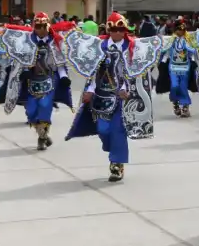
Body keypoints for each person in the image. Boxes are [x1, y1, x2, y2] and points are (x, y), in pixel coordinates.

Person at [64, 13, 161, 182]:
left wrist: (126, 89)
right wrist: (90, 90)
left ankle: (116, 164)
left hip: (121, 98)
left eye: (120, 29)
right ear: (109, 30)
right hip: (101, 95)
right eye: (114, 29)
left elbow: (135, 73)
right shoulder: (99, 47)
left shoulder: (132, 48)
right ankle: (113, 150)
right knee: (103, 130)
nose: (117, 33)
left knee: (118, 129)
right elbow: (93, 72)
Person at [0, 13, 75, 150]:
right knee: (31, 111)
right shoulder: (27, 41)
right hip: (31, 80)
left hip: (49, 79)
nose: (40, 29)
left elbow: (60, 62)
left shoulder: (56, 41)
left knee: (45, 106)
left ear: (48, 26)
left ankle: (42, 138)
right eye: (38, 26)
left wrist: (64, 77)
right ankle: (43, 134)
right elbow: (20, 60)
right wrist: (24, 72)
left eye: (43, 26)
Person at [156, 18, 199, 117]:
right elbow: (166, 52)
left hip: (185, 68)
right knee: (174, 86)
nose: (180, 31)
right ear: (175, 30)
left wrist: (194, 61)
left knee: (183, 86)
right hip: (173, 67)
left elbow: (192, 52)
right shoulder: (171, 40)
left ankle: (185, 106)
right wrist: (162, 63)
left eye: (182, 30)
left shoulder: (188, 40)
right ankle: (175, 102)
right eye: (178, 29)